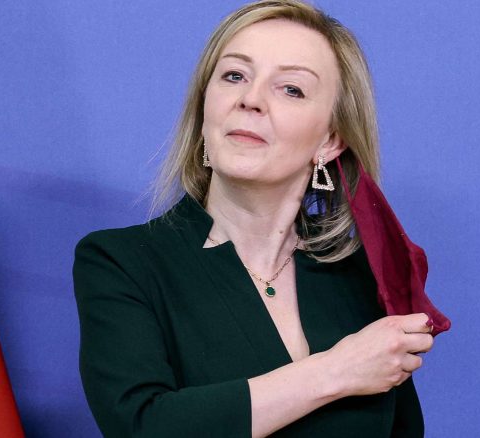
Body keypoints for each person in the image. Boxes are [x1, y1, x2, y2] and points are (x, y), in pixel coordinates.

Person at [73, 1, 434, 436]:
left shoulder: (363, 277)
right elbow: (143, 427)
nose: (250, 99)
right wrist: (336, 371)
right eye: (234, 76)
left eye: (291, 89)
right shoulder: (121, 262)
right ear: (204, 109)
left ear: (330, 140)